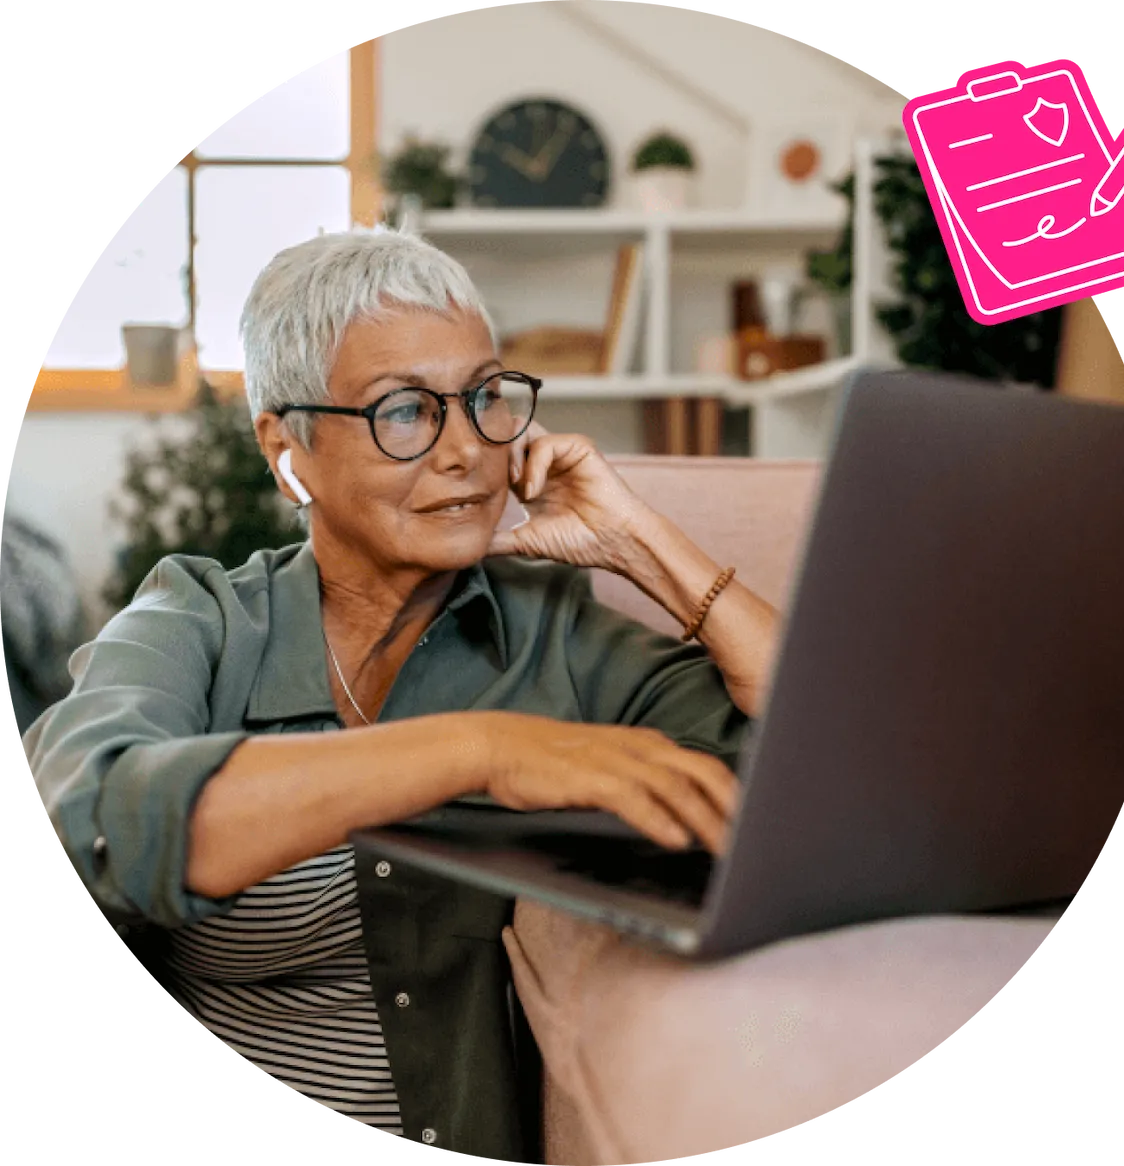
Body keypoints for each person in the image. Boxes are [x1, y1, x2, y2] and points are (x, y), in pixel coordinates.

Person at [25, 225, 780, 1165]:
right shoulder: (201, 620)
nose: (468, 450)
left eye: (483, 398)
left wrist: (641, 544)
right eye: (405, 412)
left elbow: (818, 769)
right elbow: (87, 819)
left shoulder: (554, 635)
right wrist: (480, 751)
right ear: (286, 447)